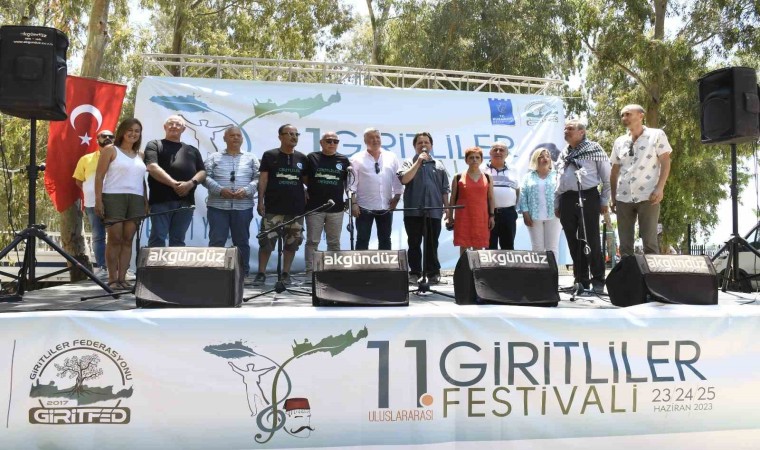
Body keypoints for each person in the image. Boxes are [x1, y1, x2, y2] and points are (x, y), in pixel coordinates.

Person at [555, 119, 611, 294]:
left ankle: (598, 280)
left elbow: (607, 178)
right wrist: (557, 202)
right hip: (566, 199)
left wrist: (604, 201)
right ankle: (580, 280)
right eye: (565, 129)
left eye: (570, 129)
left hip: (588, 196)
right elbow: (558, 180)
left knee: (591, 239)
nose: (566, 131)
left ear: (581, 132)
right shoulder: (564, 153)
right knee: (573, 241)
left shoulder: (594, 149)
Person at [610, 104, 672, 256]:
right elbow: (614, 171)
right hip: (623, 197)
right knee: (625, 246)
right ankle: (627, 272)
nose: (624, 118)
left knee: (650, 243)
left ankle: (652, 272)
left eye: (628, 114)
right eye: (622, 115)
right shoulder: (619, 141)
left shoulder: (656, 135)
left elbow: (665, 161)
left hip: (648, 196)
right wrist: (613, 196)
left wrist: (660, 188)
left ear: (641, 116)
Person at [94, 118, 147, 290]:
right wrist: (98, 201)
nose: (133, 134)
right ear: (122, 132)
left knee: (127, 239)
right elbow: (99, 176)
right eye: (130, 130)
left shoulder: (141, 155)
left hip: (136, 199)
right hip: (114, 197)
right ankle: (112, 279)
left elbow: (142, 180)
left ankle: (123, 278)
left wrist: (146, 201)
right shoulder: (111, 150)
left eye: (137, 131)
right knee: (115, 238)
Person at [253, 124, 308, 286]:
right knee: (267, 242)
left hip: (296, 209)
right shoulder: (270, 155)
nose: (294, 137)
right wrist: (260, 201)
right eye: (289, 133)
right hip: (273, 207)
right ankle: (261, 273)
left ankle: (285, 273)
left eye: (296, 134)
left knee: (292, 243)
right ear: (280, 137)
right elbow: (263, 179)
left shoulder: (302, 158)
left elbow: (306, 181)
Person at [203, 126, 259, 275]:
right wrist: (219, 190)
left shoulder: (251, 158)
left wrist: (247, 190)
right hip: (217, 207)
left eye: (238, 135)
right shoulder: (214, 157)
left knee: (242, 242)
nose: (235, 138)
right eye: (232, 135)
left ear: (242, 139)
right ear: (224, 138)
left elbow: (259, 178)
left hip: (243, 207)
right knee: (217, 241)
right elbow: (204, 176)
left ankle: (243, 274)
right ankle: (214, 274)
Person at [144, 115, 206, 247]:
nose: (174, 126)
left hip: (186, 202)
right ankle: (154, 262)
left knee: (178, 240)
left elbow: (202, 172)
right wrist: (174, 184)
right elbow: (152, 167)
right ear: (164, 127)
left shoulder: (193, 150)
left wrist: (190, 183)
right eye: (171, 123)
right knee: (158, 238)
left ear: (183, 129)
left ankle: (175, 263)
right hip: (161, 200)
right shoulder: (154, 144)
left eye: (178, 124)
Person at [398, 132, 451, 284]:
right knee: (414, 243)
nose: (423, 145)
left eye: (426, 142)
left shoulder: (439, 164)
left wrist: (447, 208)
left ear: (431, 146)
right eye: (420, 143)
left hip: (433, 211)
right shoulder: (408, 162)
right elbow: (404, 179)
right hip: (413, 211)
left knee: (432, 243)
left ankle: (432, 273)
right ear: (415, 146)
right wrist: (418, 162)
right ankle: (415, 273)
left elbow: (444, 189)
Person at [304, 131, 351, 277]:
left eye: (335, 141)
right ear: (321, 142)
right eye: (329, 141)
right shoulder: (312, 157)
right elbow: (303, 177)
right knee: (312, 241)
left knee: (334, 242)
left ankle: (334, 272)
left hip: (336, 208)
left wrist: (350, 199)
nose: (332, 144)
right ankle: (310, 272)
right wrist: (304, 189)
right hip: (315, 207)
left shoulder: (343, 160)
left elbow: (347, 183)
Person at [348, 128, 403, 250]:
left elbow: (397, 180)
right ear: (365, 140)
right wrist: (354, 203)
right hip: (363, 208)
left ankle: (385, 263)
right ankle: (360, 263)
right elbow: (351, 184)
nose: (375, 140)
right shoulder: (356, 158)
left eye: (377, 137)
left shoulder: (391, 156)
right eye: (371, 137)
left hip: (386, 207)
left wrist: (397, 198)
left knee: (385, 239)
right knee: (362, 239)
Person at [73, 129, 113, 275]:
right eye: (104, 136)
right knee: (98, 236)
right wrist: (92, 192)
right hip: (92, 203)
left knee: (116, 236)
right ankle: (102, 267)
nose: (107, 138)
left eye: (111, 136)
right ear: (97, 139)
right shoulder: (86, 159)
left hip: (115, 202)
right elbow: (79, 181)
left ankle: (118, 268)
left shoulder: (117, 157)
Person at [519, 147, 562, 258]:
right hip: (534, 216)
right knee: (537, 248)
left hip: (554, 215)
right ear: (535, 159)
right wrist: (525, 213)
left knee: (552, 248)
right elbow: (523, 195)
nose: (545, 158)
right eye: (541, 157)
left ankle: (552, 270)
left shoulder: (557, 175)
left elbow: (561, 193)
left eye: (547, 156)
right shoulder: (528, 176)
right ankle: (538, 270)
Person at [450, 146, 494, 254]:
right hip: (463, 217)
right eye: (471, 157)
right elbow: (452, 198)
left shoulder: (488, 177)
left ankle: (476, 266)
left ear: (481, 160)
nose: (474, 160)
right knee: (464, 246)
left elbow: (491, 198)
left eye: (477, 157)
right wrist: (450, 217)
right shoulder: (458, 177)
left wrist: (492, 216)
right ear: (466, 160)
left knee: (478, 247)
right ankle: (463, 266)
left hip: (480, 217)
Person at [482, 141, 520, 250]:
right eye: (495, 149)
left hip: (508, 214)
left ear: (507, 154)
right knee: (490, 247)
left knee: (508, 247)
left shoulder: (514, 170)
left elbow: (517, 190)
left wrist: (512, 207)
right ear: (490, 153)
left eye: (502, 150)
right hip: (488, 214)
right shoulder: (482, 170)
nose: (498, 152)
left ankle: (507, 264)